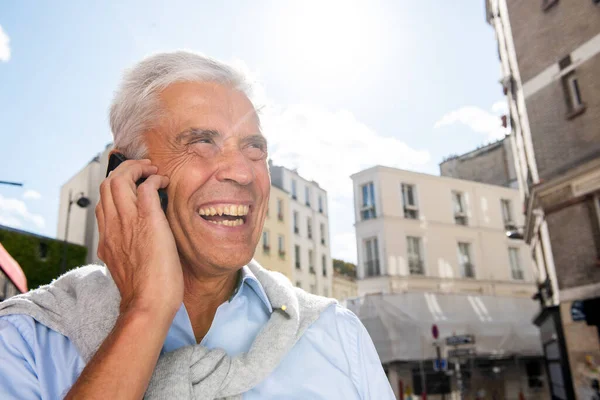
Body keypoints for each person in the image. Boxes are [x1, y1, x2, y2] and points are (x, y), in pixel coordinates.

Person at [0, 51, 394, 399]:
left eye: (254, 148)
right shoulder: (26, 342)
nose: (242, 172)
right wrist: (145, 311)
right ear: (125, 174)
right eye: (202, 142)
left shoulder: (339, 336)